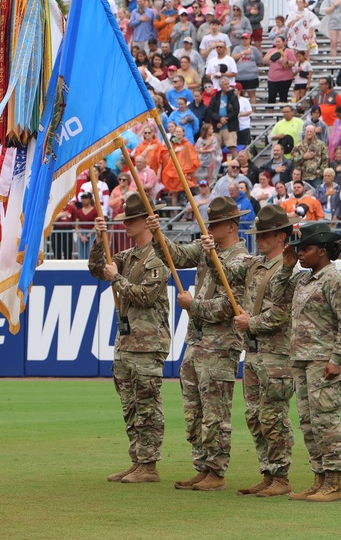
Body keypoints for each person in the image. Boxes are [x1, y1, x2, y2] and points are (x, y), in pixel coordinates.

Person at [148, 198, 250, 492]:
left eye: (214, 224)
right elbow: (175, 255)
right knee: (195, 410)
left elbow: (230, 305)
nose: (209, 228)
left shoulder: (242, 260)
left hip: (221, 344)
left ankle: (216, 471)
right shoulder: (208, 251)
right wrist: (158, 234)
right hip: (197, 341)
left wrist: (194, 306)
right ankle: (202, 465)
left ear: (230, 227)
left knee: (216, 412)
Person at [208, 204, 300, 497]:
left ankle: (281, 476)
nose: (260, 239)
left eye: (267, 234)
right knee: (254, 416)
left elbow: (283, 314)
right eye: (259, 233)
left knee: (273, 417)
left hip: (277, 353)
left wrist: (252, 322)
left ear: (281, 237)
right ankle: (268, 472)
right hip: (255, 353)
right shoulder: (252, 263)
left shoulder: (290, 271)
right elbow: (222, 272)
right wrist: (212, 252)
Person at [90, 193, 171, 483]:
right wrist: (100, 242)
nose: (126, 224)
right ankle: (137, 460)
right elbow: (97, 270)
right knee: (130, 404)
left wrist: (117, 279)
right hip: (127, 341)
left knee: (147, 404)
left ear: (145, 222)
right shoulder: (130, 256)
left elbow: (147, 296)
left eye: (131, 220)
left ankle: (149, 465)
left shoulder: (157, 256)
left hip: (148, 342)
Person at [279, 222, 341, 502]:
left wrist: (337, 358)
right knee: (308, 421)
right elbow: (278, 293)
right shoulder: (302, 279)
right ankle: (319, 477)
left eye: (307, 248)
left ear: (322, 251)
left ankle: (333, 482)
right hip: (301, 359)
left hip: (323, 360)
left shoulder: (335, 280)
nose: (300, 253)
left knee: (325, 420)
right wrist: (287, 266)